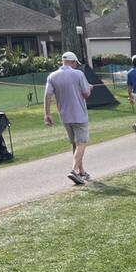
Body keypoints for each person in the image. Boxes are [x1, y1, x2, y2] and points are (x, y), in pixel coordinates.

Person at [44, 51, 94, 185]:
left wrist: (47, 114)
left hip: (65, 116)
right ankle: (74, 170)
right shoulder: (78, 74)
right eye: (75, 63)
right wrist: (90, 88)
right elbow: (86, 94)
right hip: (79, 115)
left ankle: (81, 172)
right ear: (72, 62)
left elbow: (48, 95)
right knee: (81, 143)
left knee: (75, 144)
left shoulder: (52, 76)